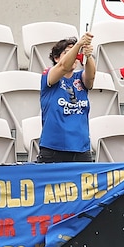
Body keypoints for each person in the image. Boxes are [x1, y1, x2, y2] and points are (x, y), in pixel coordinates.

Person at [37, 34, 95, 163]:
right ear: (56, 58)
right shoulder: (49, 74)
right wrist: (78, 45)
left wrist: (88, 56)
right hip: (53, 149)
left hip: (81, 149)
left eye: (76, 54)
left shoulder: (80, 77)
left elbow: (91, 77)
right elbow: (63, 67)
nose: (74, 57)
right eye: (68, 53)